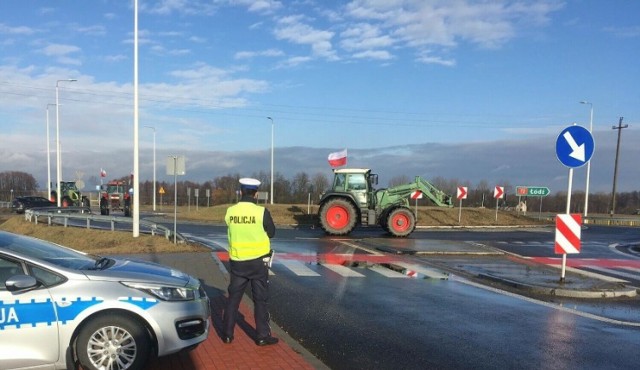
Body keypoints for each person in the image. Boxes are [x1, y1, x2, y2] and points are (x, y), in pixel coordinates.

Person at [222, 178, 278, 346]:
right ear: (256, 194)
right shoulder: (262, 212)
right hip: (257, 263)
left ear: (240, 192)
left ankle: (227, 335)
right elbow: (272, 232)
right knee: (260, 300)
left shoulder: (230, 212)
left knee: (233, 300)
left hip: (238, 263)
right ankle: (262, 336)